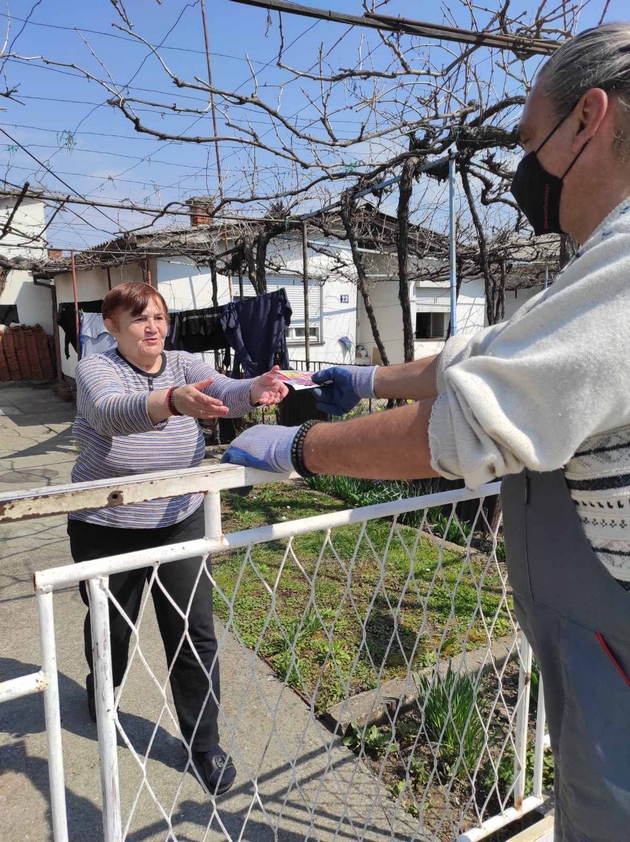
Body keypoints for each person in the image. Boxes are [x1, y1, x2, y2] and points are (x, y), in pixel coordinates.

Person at [223, 23, 630, 840]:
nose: (523, 169)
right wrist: (366, 381)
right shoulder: (596, 271)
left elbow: (464, 424)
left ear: (588, 119)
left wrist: (294, 448)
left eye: (529, 139)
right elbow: (492, 357)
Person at [68, 281, 288, 798]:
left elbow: (223, 389)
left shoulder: (184, 363)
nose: (153, 328)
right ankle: (102, 692)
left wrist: (254, 388)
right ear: (112, 326)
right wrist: (170, 401)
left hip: (180, 517)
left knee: (193, 632)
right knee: (112, 629)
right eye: (139, 318)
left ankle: (204, 744)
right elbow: (110, 413)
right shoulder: (95, 368)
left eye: (160, 318)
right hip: (107, 525)